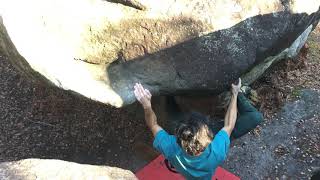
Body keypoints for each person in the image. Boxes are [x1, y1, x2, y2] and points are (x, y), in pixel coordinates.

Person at [133, 78, 263, 179]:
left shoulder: (171, 148)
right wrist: (235, 94)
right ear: (208, 136)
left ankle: (169, 96)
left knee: (174, 117)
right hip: (209, 137)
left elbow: (153, 124)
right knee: (255, 118)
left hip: (193, 137)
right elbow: (229, 125)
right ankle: (240, 93)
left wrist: (147, 106)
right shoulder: (216, 152)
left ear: (179, 137)